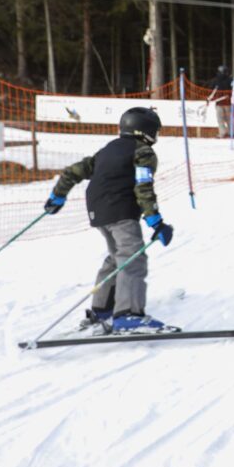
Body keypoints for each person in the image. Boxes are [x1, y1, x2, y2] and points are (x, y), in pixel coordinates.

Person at [43, 107, 176, 334]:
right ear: (146, 131)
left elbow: (73, 171)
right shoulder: (143, 152)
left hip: (97, 211)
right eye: (155, 131)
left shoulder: (108, 150)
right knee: (133, 258)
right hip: (121, 210)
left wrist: (58, 196)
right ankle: (129, 315)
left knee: (117, 257)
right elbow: (143, 187)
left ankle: (102, 309)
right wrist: (156, 222)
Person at [207, 65, 232, 138]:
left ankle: (223, 133)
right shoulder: (230, 79)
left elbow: (211, 89)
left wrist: (209, 98)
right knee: (228, 119)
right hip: (227, 102)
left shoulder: (215, 80)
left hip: (220, 103)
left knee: (220, 119)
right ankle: (230, 132)